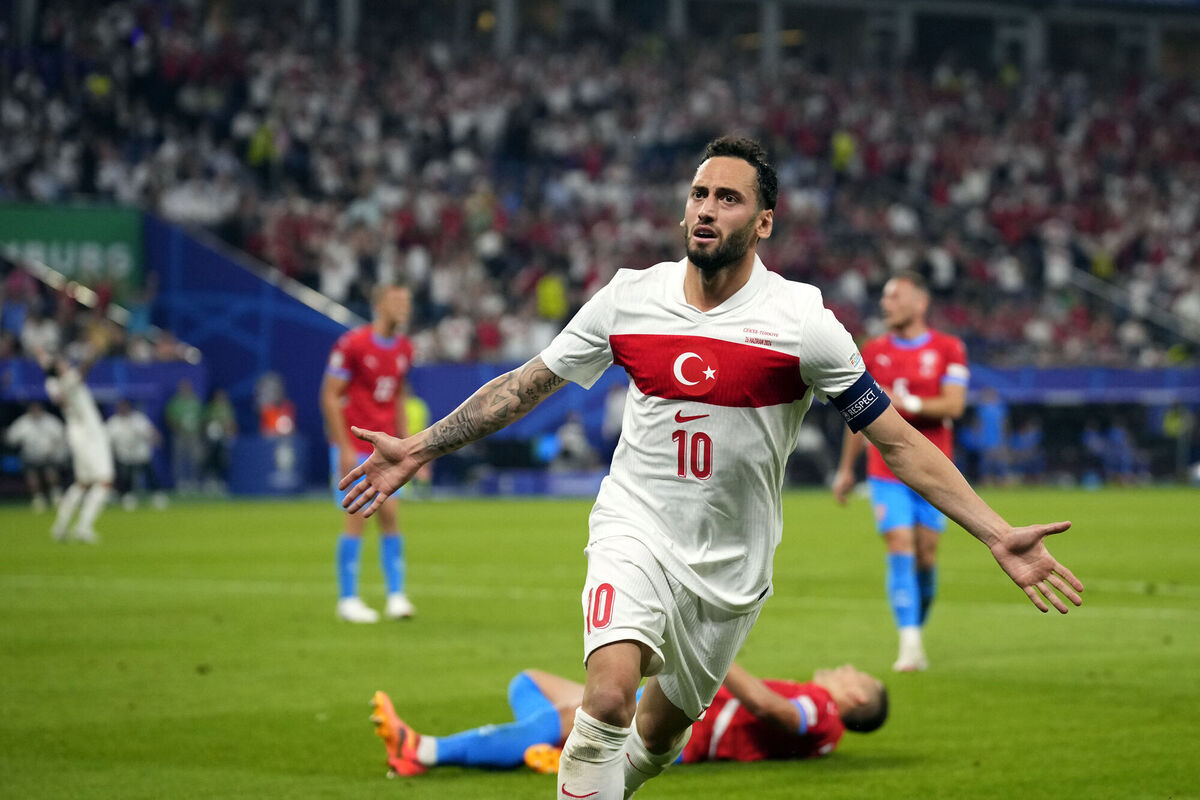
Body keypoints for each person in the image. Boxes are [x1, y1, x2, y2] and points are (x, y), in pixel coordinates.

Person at [339, 136, 1083, 800]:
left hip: (731, 569)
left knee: (655, 744)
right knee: (605, 701)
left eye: (728, 198)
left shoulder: (803, 323)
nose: (706, 209)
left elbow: (899, 440)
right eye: (699, 193)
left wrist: (993, 532)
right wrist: (421, 445)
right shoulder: (631, 299)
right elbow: (524, 385)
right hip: (636, 527)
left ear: (762, 222)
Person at [368, 661, 887, 777]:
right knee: (528, 683)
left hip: (683, 724)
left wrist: (711, 653)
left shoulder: (823, 711)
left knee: (578, 715)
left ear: (856, 699)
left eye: (855, 676)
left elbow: (768, 709)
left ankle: (423, 750)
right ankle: (548, 751)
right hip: (669, 701)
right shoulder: (825, 725)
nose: (846, 669)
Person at [831, 271, 969, 672]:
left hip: (935, 469)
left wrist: (904, 401)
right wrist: (845, 470)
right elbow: (858, 415)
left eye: (894, 296)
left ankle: (915, 627)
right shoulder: (872, 351)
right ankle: (910, 644)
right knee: (900, 547)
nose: (885, 303)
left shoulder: (949, 348)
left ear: (919, 303)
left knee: (926, 556)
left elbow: (953, 406)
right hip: (886, 469)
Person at [320, 282, 416, 623]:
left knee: (390, 517)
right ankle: (347, 599)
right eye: (397, 300)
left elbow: (399, 398)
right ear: (379, 304)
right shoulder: (353, 344)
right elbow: (330, 395)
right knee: (357, 517)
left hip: (388, 447)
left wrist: (410, 447)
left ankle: (396, 596)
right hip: (357, 445)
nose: (404, 307)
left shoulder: (405, 348)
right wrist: (343, 446)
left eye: (407, 301)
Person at [39, 353, 114, 543]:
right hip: (90, 434)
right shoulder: (66, 380)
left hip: (77, 433)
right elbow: (82, 370)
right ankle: (84, 527)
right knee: (104, 481)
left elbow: (49, 370)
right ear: (59, 369)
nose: (66, 363)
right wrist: (94, 350)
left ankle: (60, 527)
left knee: (83, 483)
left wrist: (43, 357)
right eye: (62, 362)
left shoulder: (52, 385)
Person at [4, 400, 66, 511]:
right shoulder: (23, 423)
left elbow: (61, 436)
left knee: (50, 473)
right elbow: (11, 439)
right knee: (32, 476)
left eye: (38, 410)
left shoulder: (50, 421)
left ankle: (56, 496)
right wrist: (7, 434)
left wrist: (54, 450)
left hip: (48, 455)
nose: (35, 412)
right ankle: (38, 499)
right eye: (33, 410)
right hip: (30, 456)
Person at [105, 398, 167, 510]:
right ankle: (127, 496)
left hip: (140, 454)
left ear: (129, 407)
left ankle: (157, 495)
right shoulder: (113, 423)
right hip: (124, 457)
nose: (122, 409)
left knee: (150, 474)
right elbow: (106, 440)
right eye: (120, 407)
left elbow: (151, 432)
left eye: (124, 407)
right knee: (124, 475)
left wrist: (157, 439)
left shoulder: (138, 419)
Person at [165, 378, 204, 493]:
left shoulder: (195, 401)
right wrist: (179, 426)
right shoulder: (175, 402)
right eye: (183, 388)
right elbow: (169, 418)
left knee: (195, 459)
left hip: (193, 435)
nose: (185, 390)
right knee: (179, 459)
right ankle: (180, 482)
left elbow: (201, 417)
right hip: (180, 435)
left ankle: (194, 481)